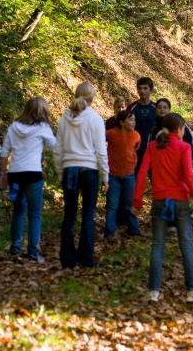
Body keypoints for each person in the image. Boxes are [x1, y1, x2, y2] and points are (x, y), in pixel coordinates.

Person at [133, 113, 193, 303]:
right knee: (186, 245)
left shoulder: (152, 147)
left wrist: (137, 202)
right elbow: (189, 176)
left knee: (157, 245)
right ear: (180, 129)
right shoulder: (184, 147)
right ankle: (191, 291)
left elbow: (142, 173)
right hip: (180, 201)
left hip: (159, 201)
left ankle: (153, 291)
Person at [55, 82, 109, 268]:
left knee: (69, 214)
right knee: (88, 214)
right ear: (92, 98)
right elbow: (101, 151)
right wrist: (105, 176)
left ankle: (68, 259)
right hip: (89, 170)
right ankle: (86, 258)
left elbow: (58, 149)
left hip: (69, 169)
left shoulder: (64, 118)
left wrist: (60, 171)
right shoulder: (95, 119)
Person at [0, 97, 57, 263]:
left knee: (18, 211)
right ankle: (33, 251)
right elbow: (55, 146)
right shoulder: (43, 127)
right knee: (35, 214)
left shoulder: (13, 127)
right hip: (33, 174)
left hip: (15, 174)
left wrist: (3, 174)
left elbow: (4, 153)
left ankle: (15, 247)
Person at [104, 110, 141, 239]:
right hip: (113, 175)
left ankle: (134, 229)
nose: (133, 122)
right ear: (121, 122)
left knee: (129, 203)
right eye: (130, 120)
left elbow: (136, 148)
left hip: (129, 174)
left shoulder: (136, 135)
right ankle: (109, 231)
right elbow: (99, 140)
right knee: (112, 205)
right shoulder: (111, 134)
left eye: (134, 120)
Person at [127, 77, 157, 173]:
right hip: (135, 149)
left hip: (153, 149)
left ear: (151, 90)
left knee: (155, 178)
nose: (142, 91)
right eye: (139, 88)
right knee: (135, 178)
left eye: (145, 88)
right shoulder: (132, 107)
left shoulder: (156, 108)